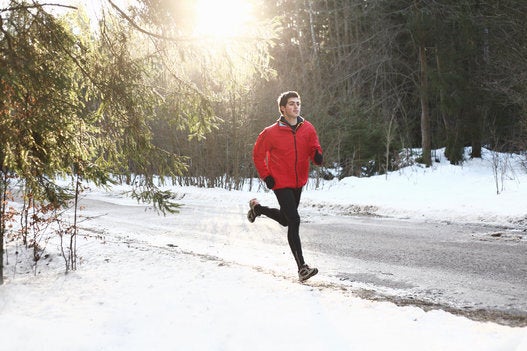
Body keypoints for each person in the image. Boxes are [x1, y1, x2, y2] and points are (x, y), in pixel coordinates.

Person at [248, 91, 323, 282]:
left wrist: (317, 155)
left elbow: (314, 147)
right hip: (280, 182)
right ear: (283, 108)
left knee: (285, 220)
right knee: (295, 220)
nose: (296, 107)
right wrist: (266, 176)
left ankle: (258, 209)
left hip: (298, 181)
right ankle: (302, 268)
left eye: (298, 103)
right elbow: (257, 155)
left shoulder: (308, 128)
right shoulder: (270, 132)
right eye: (291, 104)